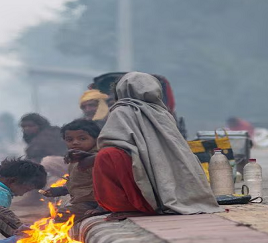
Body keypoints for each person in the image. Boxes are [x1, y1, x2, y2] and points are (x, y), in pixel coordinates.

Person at [94, 72, 222, 220]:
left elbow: (110, 142)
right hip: (161, 174)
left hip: (139, 172)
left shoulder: (121, 111)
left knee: (107, 155)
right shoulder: (163, 113)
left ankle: (130, 206)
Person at [42, 119, 101, 220]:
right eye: (70, 140)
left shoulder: (95, 159)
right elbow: (80, 183)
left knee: (56, 219)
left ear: (96, 139)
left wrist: (101, 208)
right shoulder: (75, 158)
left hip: (92, 203)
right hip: (81, 201)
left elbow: (108, 186)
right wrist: (61, 190)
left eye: (82, 139)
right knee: (50, 217)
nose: (75, 143)